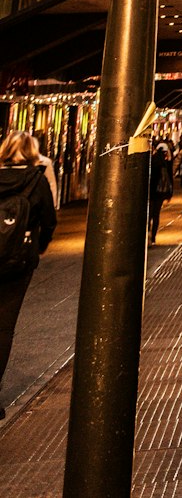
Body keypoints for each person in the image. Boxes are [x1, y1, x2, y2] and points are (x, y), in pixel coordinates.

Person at [0, 131, 57, 419]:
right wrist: (41, 247)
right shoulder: (36, 179)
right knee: (4, 328)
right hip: (18, 261)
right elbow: (49, 220)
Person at [147, 141, 173, 245]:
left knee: (149, 214)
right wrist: (169, 194)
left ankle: (147, 233)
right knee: (156, 214)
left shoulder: (152, 161)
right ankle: (153, 237)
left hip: (151, 191)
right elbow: (169, 179)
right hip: (160, 192)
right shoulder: (166, 163)